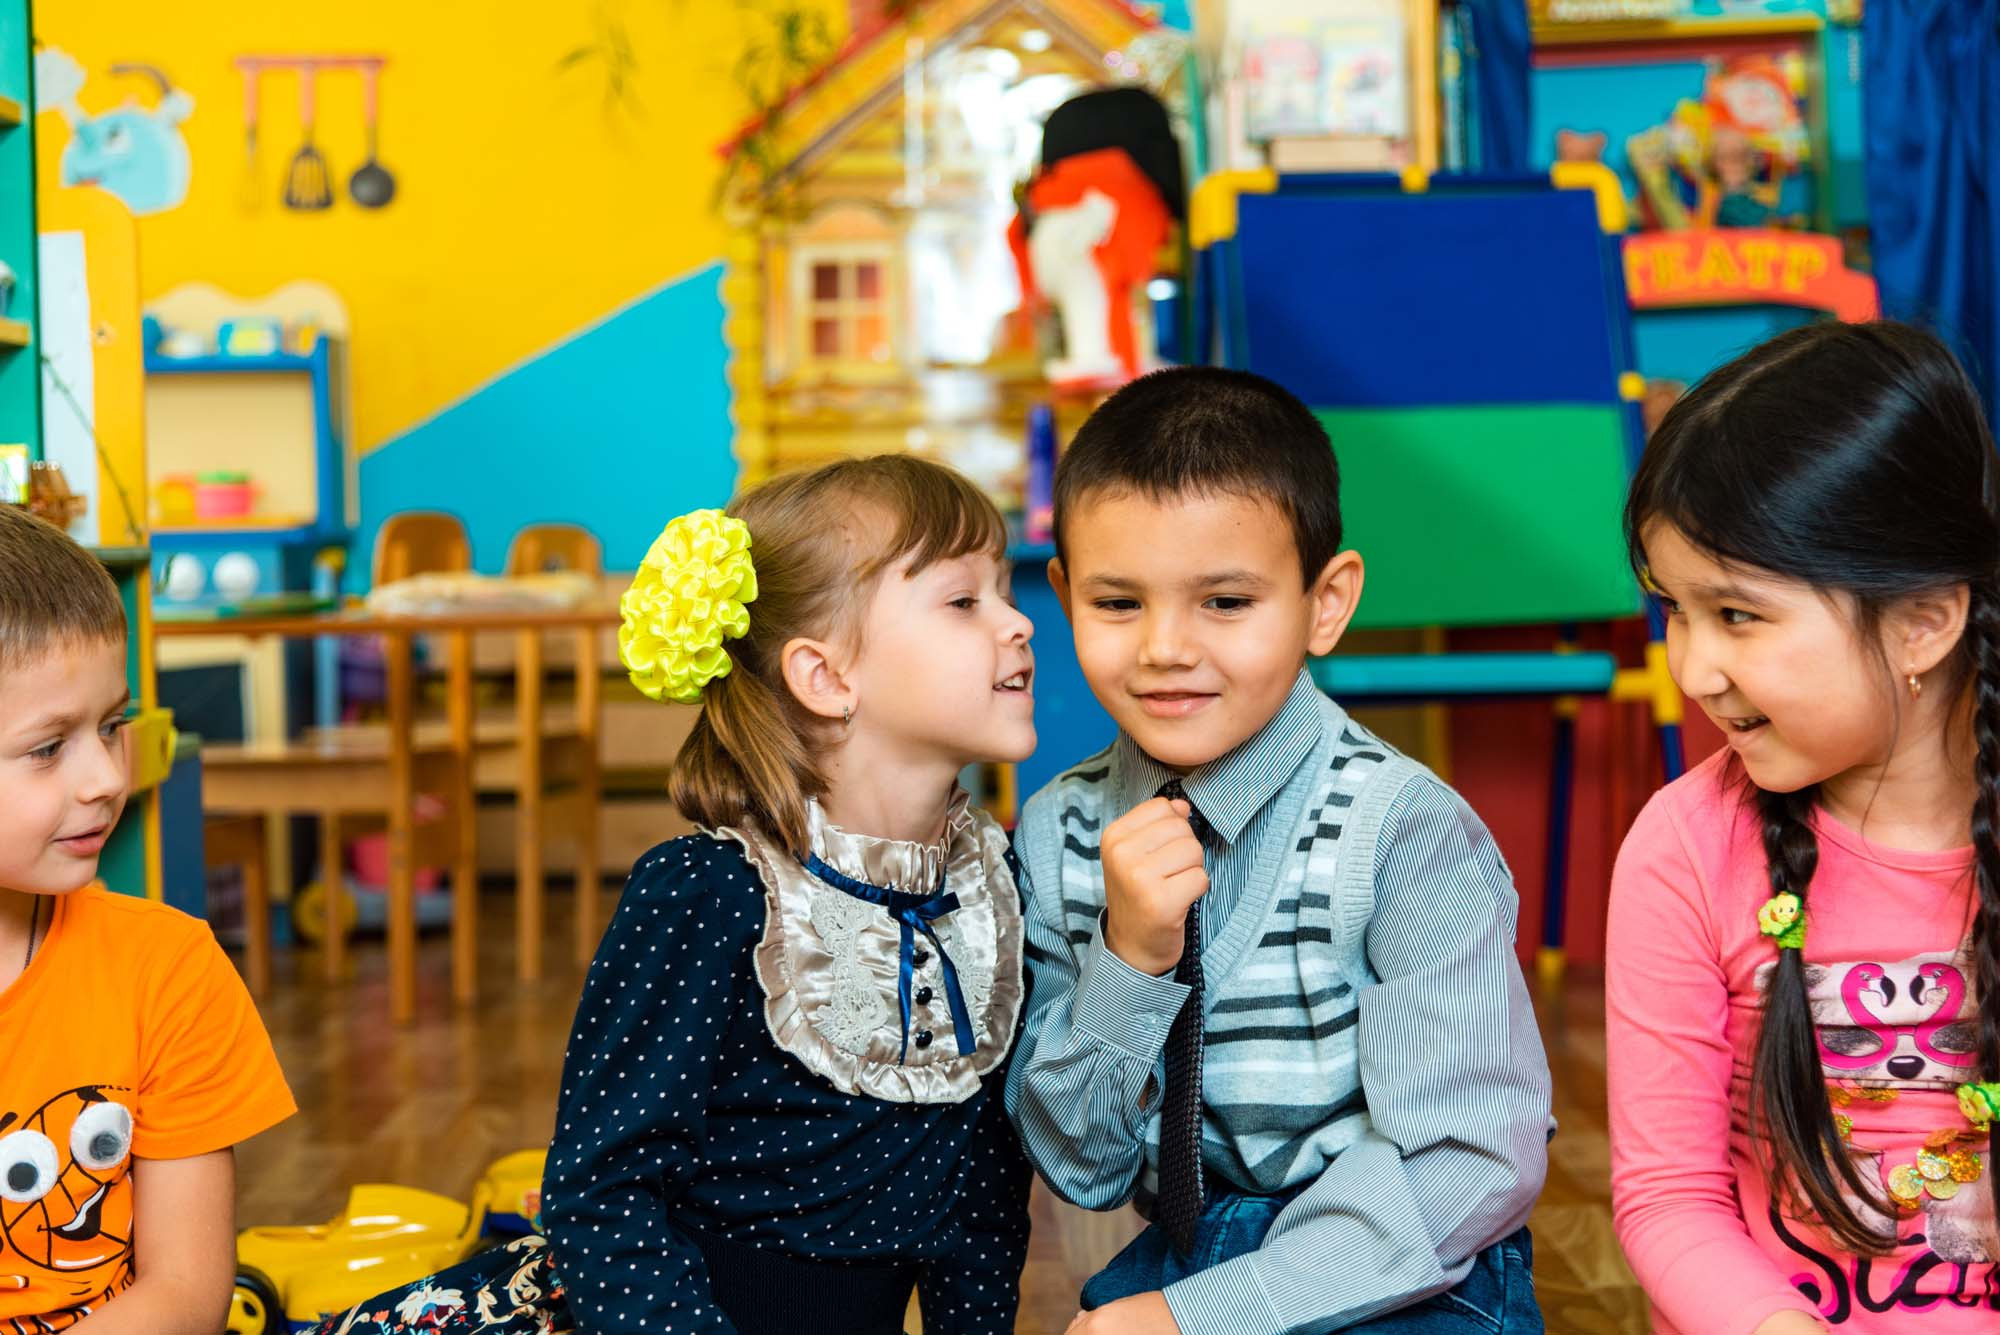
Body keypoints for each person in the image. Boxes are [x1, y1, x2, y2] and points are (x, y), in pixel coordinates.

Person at [1007, 366, 1551, 1335]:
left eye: (1223, 602)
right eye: (1117, 603)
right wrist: (1127, 958)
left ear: (1325, 602)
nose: (1165, 648)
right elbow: (1078, 1166)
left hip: (1405, 1257)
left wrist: (1199, 1318)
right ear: (1062, 595)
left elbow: (1472, 1160)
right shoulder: (1058, 833)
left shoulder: (1400, 829)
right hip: (1197, 1240)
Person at [1609, 321, 2000, 1333]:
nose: (1692, 668)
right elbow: (1667, 1200)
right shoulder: (1683, 849)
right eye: (1673, 612)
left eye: (1735, 615)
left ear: (1921, 621)